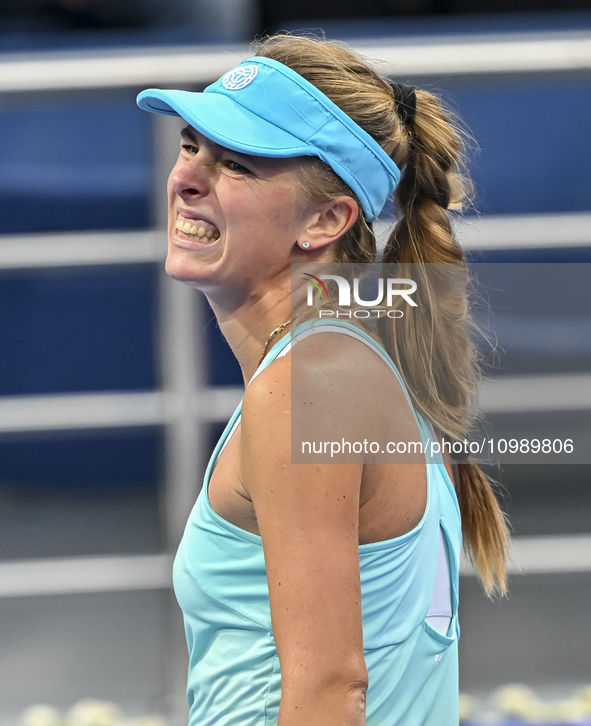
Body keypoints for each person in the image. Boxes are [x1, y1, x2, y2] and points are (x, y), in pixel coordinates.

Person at [137, 34, 511, 726]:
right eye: (192, 145)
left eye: (238, 166)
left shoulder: (308, 386)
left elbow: (330, 690)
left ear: (326, 221)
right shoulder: (344, 366)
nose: (188, 177)